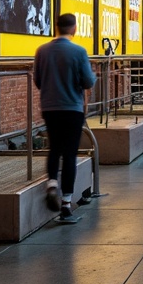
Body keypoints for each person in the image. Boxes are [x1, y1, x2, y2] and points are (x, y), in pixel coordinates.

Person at [33, 12, 96, 223]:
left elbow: (38, 80)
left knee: (54, 148)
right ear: (74, 28)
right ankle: (67, 204)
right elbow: (88, 81)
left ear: (57, 27)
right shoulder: (78, 51)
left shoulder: (42, 50)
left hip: (50, 107)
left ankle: (52, 183)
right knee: (69, 154)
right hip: (72, 109)